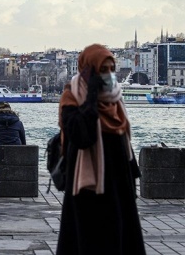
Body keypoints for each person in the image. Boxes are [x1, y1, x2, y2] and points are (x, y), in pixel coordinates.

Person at [56, 44, 145, 255]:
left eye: (111, 70)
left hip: (119, 188)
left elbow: (124, 144)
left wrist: (132, 180)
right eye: (103, 70)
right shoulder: (72, 97)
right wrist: (91, 98)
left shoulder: (116, 101)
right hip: (88, 192)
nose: (109, 76)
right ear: (89, 71)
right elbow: (81, 136)